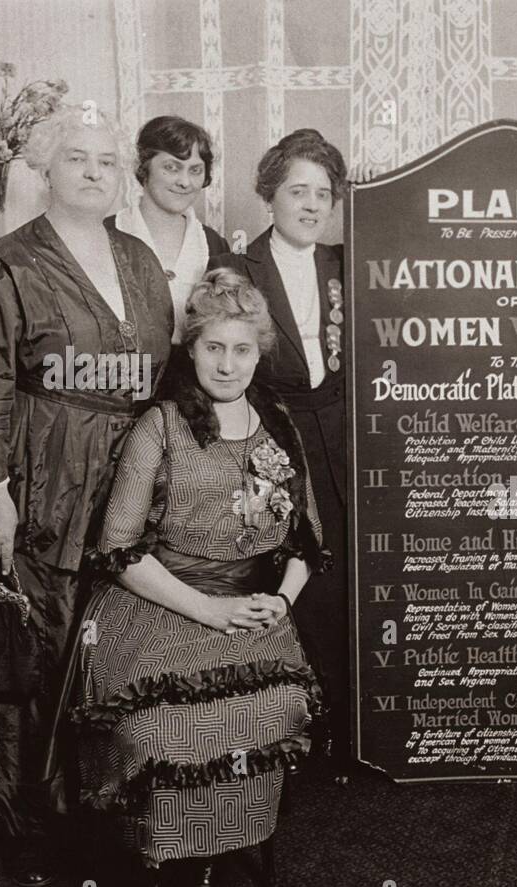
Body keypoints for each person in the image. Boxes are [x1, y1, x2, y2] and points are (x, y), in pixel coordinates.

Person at [0, 107, 172, 886]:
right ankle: (21, 820)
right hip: (36, 472)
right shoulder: (9, 261)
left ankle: (90, 808)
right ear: (43, 170)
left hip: (121, 475)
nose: (96, 172)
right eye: (77, 158)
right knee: (28, 645)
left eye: (108, 160)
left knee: (102, 641)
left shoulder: (137, 257)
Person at [73, 269, 329, 887]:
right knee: (166, 725)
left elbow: (306, 540)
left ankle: (223, 843)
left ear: (259, 352)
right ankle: (164, 849)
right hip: (159, 602)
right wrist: (209, 610)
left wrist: (284, 599)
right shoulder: (159, 424)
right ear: (191, 348)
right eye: (214, 347)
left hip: (251, 606)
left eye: (242, 349)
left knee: (270, 707)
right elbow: (119, 551)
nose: (228, 363)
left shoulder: (277, 422)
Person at [209, 129, 351, 767]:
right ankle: (289, 722)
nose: (313, 205)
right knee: (290, 564)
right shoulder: (240, 271)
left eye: (325, 193)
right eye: (299, 191)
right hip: (273, 432)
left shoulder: (346, 261)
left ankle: (347, 721)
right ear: (270, 195)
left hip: (343, 431)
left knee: (344, 560)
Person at [111, 115, 230, 343]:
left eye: (195, 170)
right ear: (143, 167)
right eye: (171, 168)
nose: (184, 182)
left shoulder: (213, 244)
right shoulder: (106, 233)